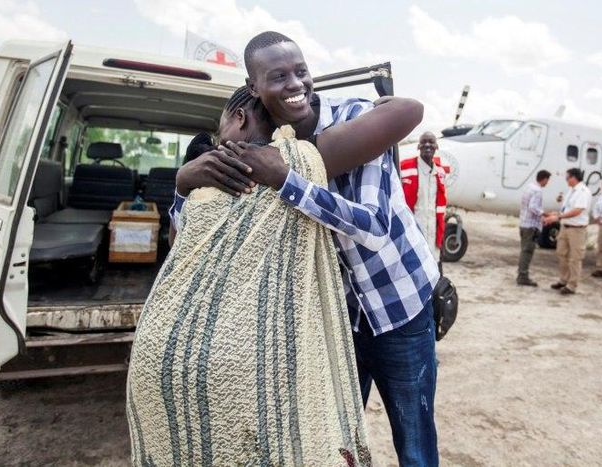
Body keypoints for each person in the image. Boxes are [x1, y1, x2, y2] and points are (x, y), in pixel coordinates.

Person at [127, 85, 426, 465]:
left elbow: (179, 242)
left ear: (238, 118)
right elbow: (408, 112)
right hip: (309, 333)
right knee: (357, 430)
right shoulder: (302, 159)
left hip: (393, 306)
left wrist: (186, 183)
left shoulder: (236, 174)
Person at [185, 31, 441, 466]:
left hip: (400, 306)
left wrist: (289, 181)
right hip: (337, 319)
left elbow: (375, 227)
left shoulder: (354, 121)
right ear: (254, 87)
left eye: (301, 71)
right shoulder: (266, 149)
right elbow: (206, 227)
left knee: (415, 443)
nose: (295, 84)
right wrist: (187, 179)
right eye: (278, 76)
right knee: (335, 437)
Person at [544, 168, 592, 295]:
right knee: (561, 253)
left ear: (574, 178)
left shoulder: (583, 192)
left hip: (577, 230)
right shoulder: (571, 190)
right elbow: (567, 209)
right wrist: (556, 214)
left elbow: (577, 211)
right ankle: (563, 279)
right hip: (565, 227)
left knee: (575, 258)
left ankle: (572, 285)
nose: (566, 180)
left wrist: (558, 217)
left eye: (567, 177)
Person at [400, 132, 447, 260]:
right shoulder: (404, 167)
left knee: (433, 269)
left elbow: (441, 209)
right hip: (412, 232)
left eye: (431, 142)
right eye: (424, 142)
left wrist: (440, 239)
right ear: (418, 146)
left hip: (432, 233)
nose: (427, 145)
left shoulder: (440, 173)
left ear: (436, 146)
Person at [516, 170, 551, 286]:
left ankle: (521, 273)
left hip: (524, 223)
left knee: (524, 251)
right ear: (544, 179)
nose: (547, 183)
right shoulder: (538, 191)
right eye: (548, 180)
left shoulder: (529, 187)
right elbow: (533, 207)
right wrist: (544, 214)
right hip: (531, 226)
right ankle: (523, 276)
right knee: (527, 251)